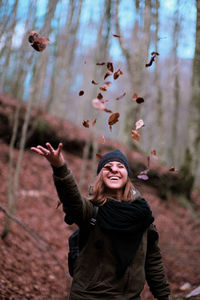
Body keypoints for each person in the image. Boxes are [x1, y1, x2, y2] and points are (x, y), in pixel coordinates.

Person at [31, 142, 170, 300]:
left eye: (120, 166)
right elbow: (72, 200)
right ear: (100, 176)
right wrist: (60, 168)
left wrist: (164, 296)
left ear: (127, 175)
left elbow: (153, 260)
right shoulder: (92, 211)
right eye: (108, 167)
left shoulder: (143, 215)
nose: (114, 169)